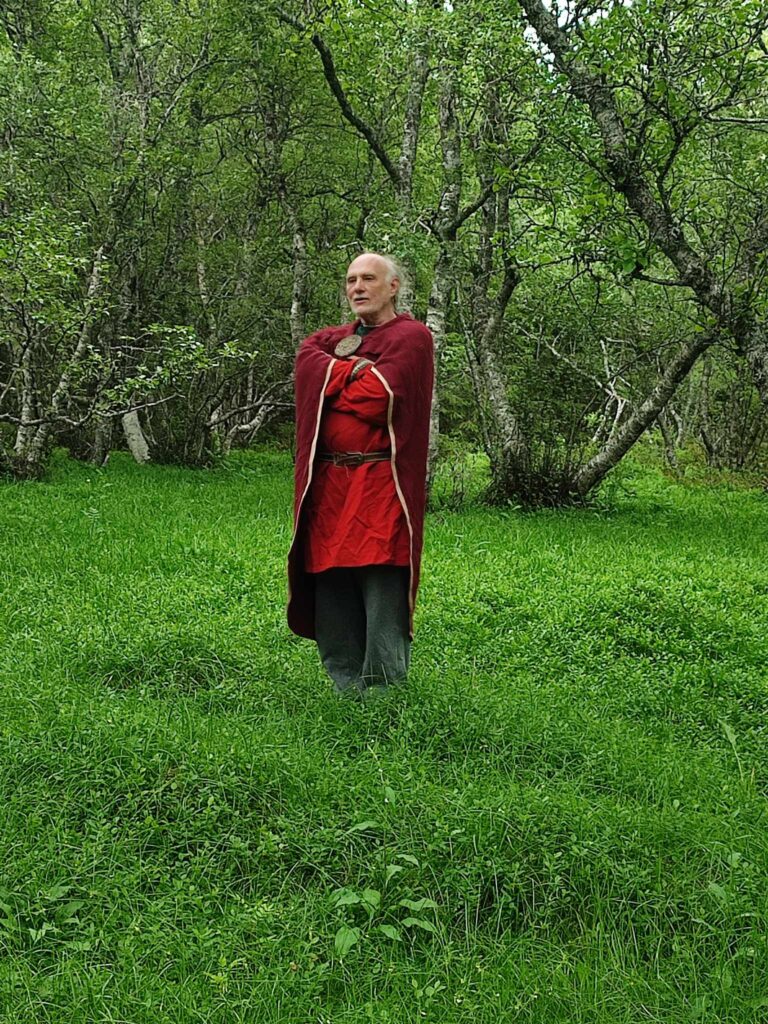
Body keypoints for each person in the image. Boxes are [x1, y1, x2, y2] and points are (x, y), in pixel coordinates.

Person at [287, 252, 434, 700]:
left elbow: (377, 400)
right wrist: (351, 369)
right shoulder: (336, 339)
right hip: (329, 486)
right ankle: (345, 688)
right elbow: (306, 361)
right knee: (331, 581)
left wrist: (330, 384)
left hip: (378, 485)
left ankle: (384, 693)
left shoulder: (411, 337)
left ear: (393, 287)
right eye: (351, 280)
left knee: (379, 582)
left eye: (368, 278)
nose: (357, 287)